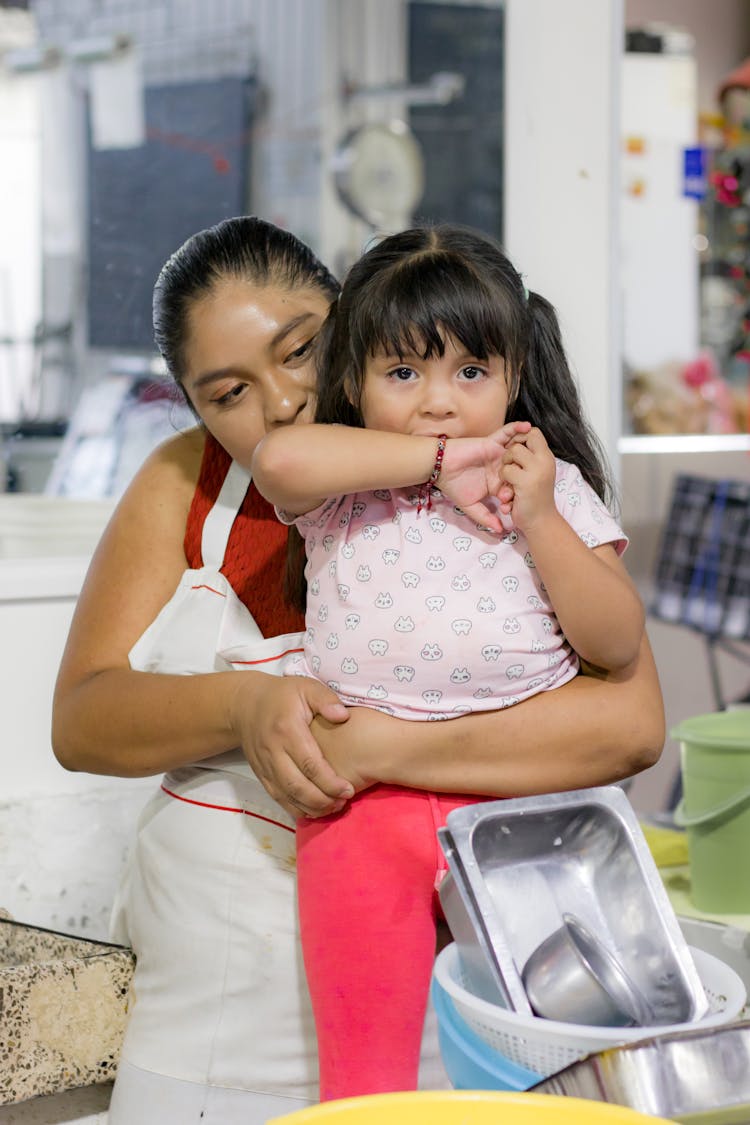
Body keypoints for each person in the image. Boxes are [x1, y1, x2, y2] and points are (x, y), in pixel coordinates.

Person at [51, 216, 664, 1125]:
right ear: (191, 405)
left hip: (447, 1001)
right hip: (214, 1009)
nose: (281, 402)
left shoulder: (508, 477)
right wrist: (243, 707)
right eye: (227, 393)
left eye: (302, 351)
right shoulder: (191, 483)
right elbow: (83, 720)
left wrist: (377, 746)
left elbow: (628, 724)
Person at [251, 223, 648, 1099]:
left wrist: (539, 516)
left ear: (514, 372)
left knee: (552, 1070)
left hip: (528, 805)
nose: (440, 399)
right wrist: (443, 461)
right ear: (352, 381)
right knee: (366, 1081)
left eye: (471, 373)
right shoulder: (346, 489)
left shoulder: (548, 487)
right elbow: (278, 456)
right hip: (362, 812)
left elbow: (616, 643)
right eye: (404, 373)